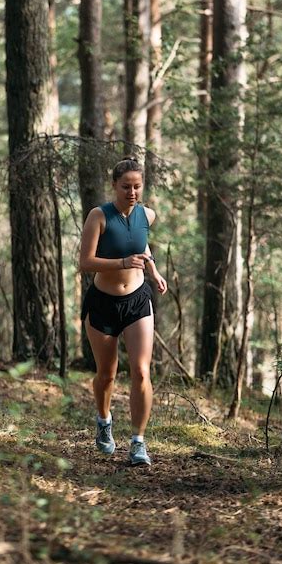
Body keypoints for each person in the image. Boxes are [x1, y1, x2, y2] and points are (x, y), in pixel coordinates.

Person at [79, 157, 167, 466]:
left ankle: (138, 442)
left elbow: (142, 248)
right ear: (114, 185)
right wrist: (121, 263)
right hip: (103, 302)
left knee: (142, 371)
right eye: (126, 186)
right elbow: (85, 263)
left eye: (137, 186)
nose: (132, 192)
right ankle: (103, 420)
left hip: (138, 301)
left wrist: (153, 271)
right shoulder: (98, 216)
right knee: (107, 374)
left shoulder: (148, 215)